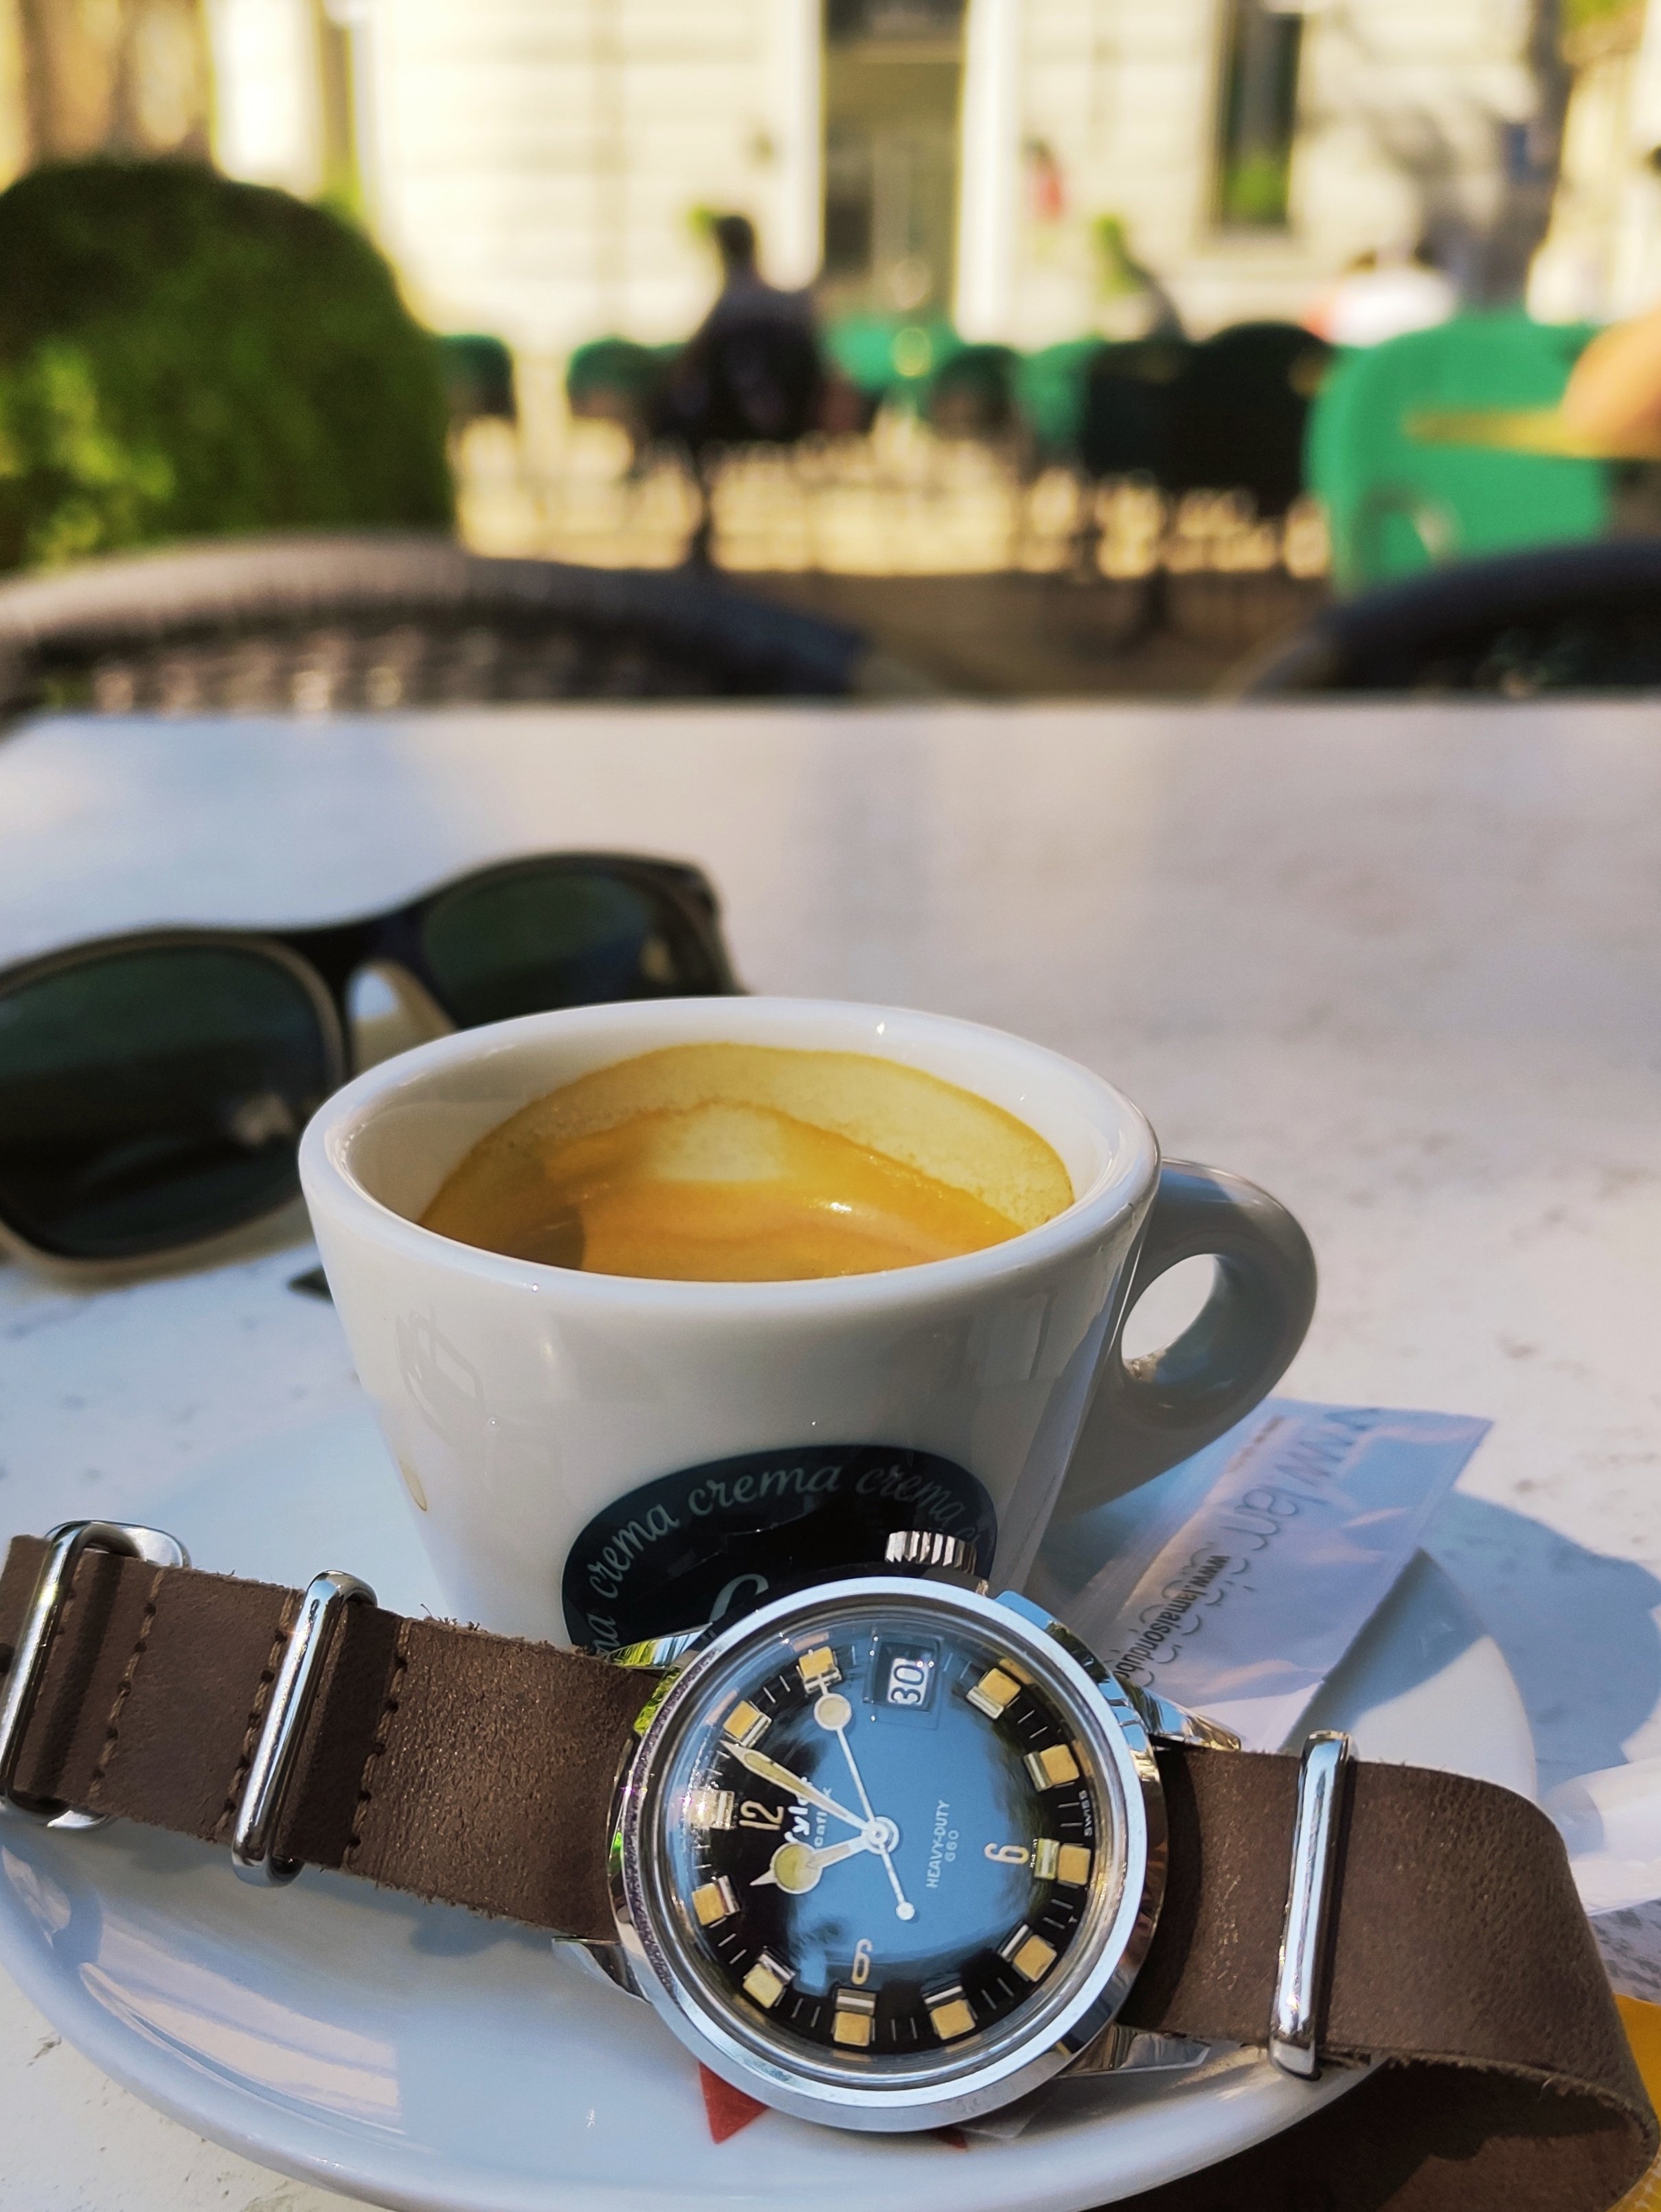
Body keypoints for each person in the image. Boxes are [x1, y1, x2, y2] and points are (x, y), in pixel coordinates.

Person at [657, 213, 826, 561]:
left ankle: (704, 516)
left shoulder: (731, 303)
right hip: (792, 423)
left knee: (675, 419)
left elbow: (690, 362)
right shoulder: (791, 304)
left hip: (729, 421)